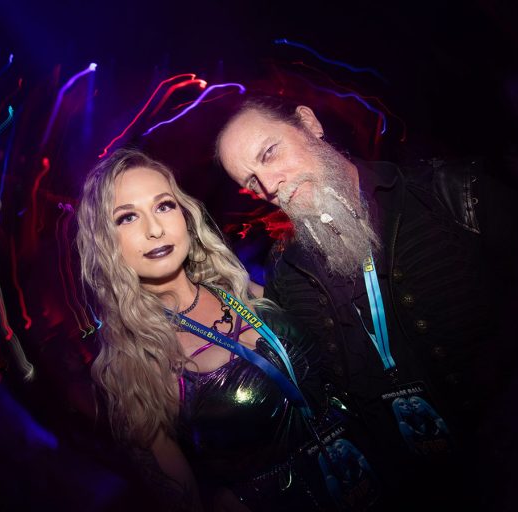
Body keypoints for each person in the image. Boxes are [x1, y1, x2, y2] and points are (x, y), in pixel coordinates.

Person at [215, 95, 518, 509]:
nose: (270, 186)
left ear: (309, 123)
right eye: (252, 182)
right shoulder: (285, 270)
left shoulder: (455, 194)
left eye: (270, 153)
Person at [76, 148, 377, 511]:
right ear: (104, 242)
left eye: (164, 206)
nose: (154, 229)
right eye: (127, 217)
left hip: (370, 468)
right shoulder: (135, 364)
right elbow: (182, 498)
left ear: (185, 215)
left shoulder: (237, 288)